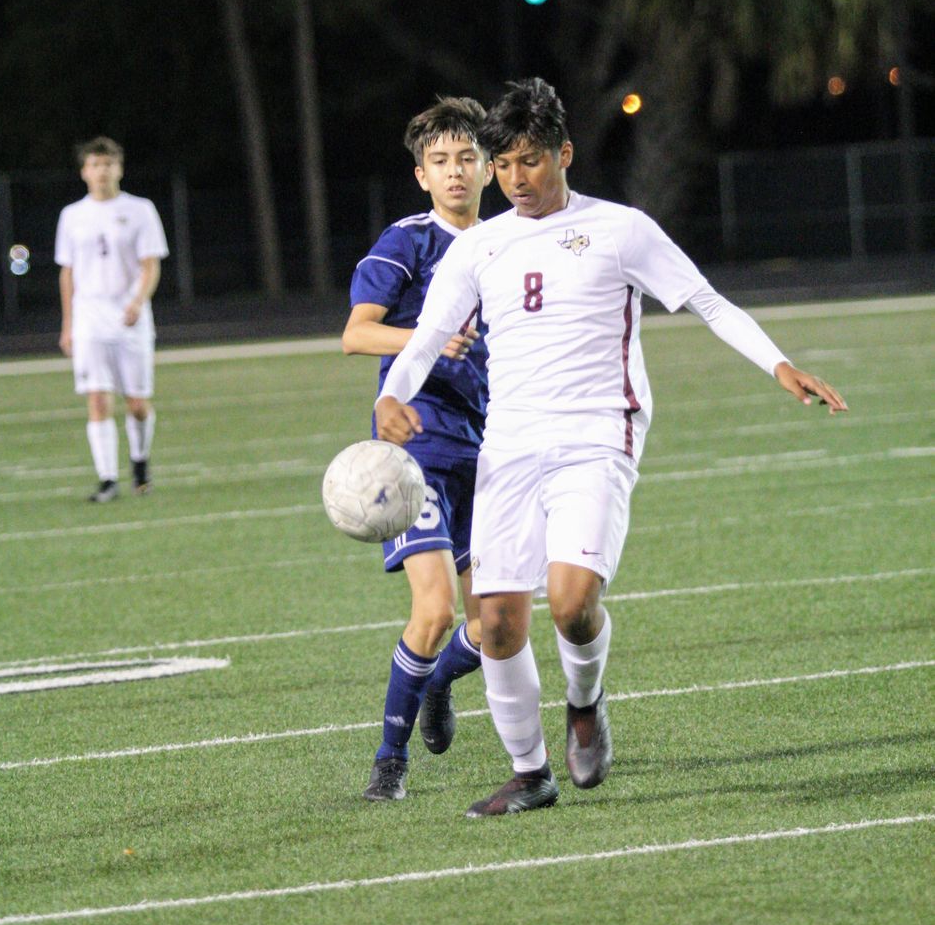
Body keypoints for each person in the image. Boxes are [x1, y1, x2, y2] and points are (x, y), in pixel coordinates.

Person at [375, 78, 848, 817]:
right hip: (510, 442)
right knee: (495, 618)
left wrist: (779, 364)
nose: (514, 179)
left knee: (569, 603)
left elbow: (705, 301)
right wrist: (391, 395)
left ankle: (585, 701)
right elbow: (429, 336)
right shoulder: (482, 246)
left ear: (564, 153)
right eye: (503, 165)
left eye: (530, 160)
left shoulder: (620, 228)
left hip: (600, 430)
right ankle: (530, 772)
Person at [342, 97, 494, 801]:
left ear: (490, 167)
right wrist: (426, 338)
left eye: (468, 157)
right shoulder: (408, 242)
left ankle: (435, 679)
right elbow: (357, 332)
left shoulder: (511, 243)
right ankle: (389, 762)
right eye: (441, 161)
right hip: (417, 451)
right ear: (421, 175)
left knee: (495, 624)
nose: (456, 171)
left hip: (493, 452)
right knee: (434, 610)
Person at [55, 136, 168, 502]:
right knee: (98, 400)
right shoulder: (72, 215)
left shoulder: (141, 209)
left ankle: (140, 464)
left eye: (108, 164)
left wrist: (137, 301)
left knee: (136, 403)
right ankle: (107, 480)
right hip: (89, 318)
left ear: (118, 168)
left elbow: (150, 264)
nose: (102, 171)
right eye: (95, 165)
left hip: (129, 318)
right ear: (84, 171)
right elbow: (68, 273)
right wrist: (68, 324)